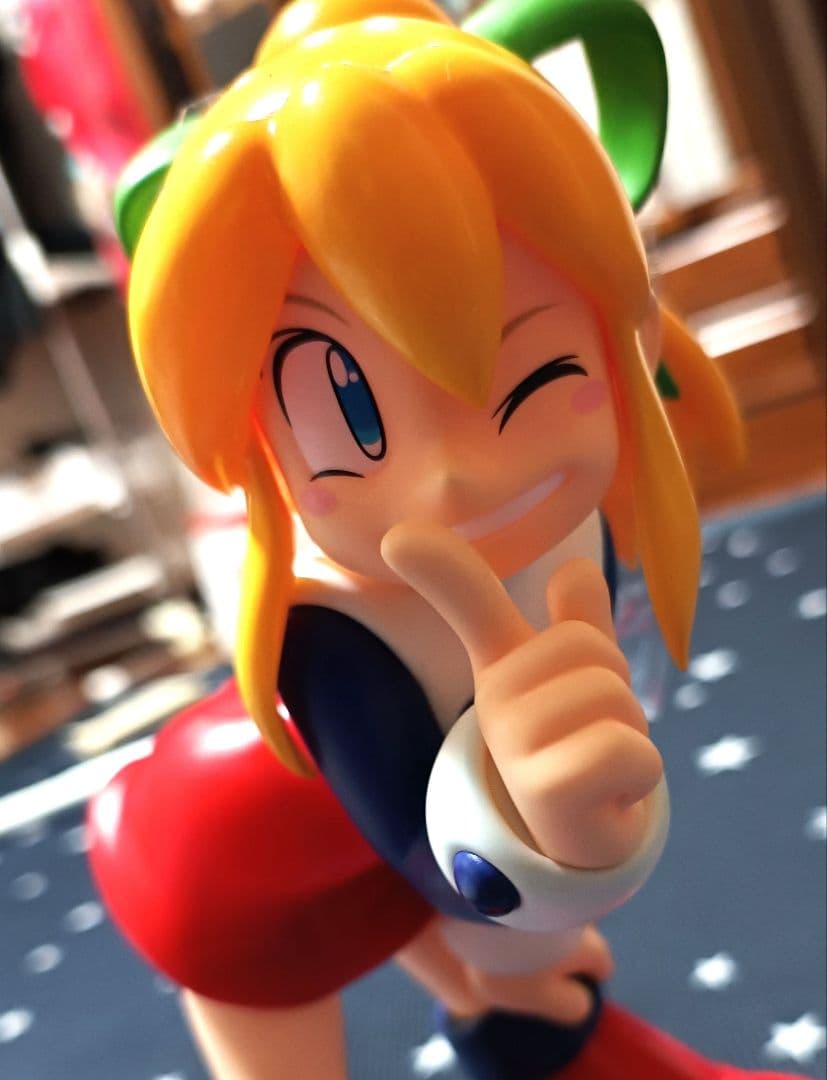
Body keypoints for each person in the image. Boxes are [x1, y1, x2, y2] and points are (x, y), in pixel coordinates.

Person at [89, 3, 796, 1077]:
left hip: (372, 854)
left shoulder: (568, 523)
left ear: (625, 327)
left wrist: (533, 886)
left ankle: (499, 1025)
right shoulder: (331, 634)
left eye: (535, 374)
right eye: (340, 411)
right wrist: (552, 852)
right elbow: (425, 853)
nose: (449, 477)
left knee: (528, 993)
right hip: (219, 874)